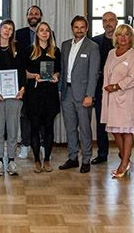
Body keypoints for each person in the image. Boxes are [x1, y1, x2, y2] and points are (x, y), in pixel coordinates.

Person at [0, 20, 26, 176]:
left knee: (13, 128)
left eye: (10, 29)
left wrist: (22, 90)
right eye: (5, 27)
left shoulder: (18, 48)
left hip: (15, 96)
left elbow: (22, 72)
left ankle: (12, 160)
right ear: (0, 29)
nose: (7, 31)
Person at [59, 15, 100, 173]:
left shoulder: (92, 46)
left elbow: (93, 73)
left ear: (87, 28)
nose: (79, 30)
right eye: (76, 27)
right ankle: (73, 157)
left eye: (82, 27)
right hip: (67, 92)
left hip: (84, 95)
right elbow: (63, 70)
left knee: (84, 128)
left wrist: (90, 95)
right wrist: (60, 90)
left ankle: (87, 159)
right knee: (70, 127)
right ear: (72, 28)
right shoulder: (65, 45)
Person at [101, 24, 134, 178]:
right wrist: (109, 88)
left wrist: (117, 86)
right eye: (120, 34)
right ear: (115, 37)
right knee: (114, 129)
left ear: (131, 37)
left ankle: (124, 163)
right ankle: (126, 159)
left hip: (126, 97)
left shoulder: (133, 55)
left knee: (126, 130)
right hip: (111, 97)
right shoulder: (111, 53)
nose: (123, 38)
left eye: (126, 34)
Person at [24, 21, 61, 173]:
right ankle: (37, 160)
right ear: (37, 33)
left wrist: (56, 76)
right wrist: (35, 76)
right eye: (41, 30)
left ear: (50, 34)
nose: (44, 33)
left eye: (47, 30)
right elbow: (24, 72)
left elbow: (58, 70)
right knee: (34, 128)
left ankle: (47, 159)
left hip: (50, 95)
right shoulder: (29, 50)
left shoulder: (55, 51)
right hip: (34, 95)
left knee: (48, 129)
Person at [15, 5, 44, 158]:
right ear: (27, 17)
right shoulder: (19, 34)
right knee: (25, 114)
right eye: (31, 14)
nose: (33, 16)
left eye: (36, 13)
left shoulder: (48, 32)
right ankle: (26, 144)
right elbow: (17, 58)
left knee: (42, 113)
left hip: (43, 81)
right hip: (25, 80)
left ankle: (42, 145)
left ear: (41, 16)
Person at [90, 12, 117, 165]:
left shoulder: (123, 40)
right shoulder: (95, 42)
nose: (108, 23)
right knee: (101, 122)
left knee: (119, 123)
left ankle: (123, 155)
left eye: (111, 20)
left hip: (119, 89)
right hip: (100, 88)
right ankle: (102, 153)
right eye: (105, 20)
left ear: (116, 22)